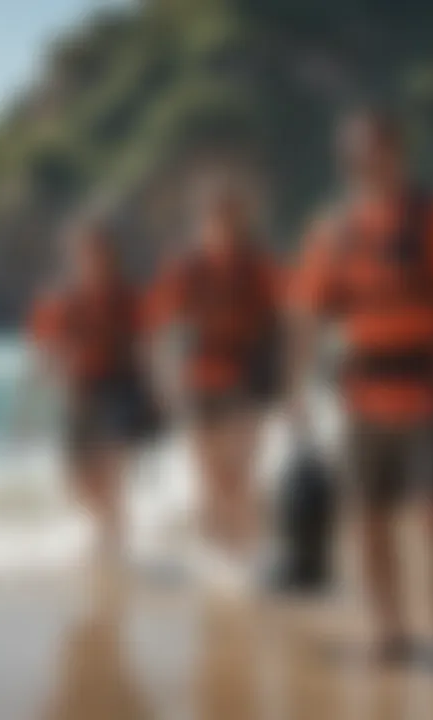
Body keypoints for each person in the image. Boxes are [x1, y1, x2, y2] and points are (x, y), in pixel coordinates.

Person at [288, 107, 433, 660]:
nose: (369, 163)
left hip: (427, 392)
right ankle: (390, 627)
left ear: (397, 153)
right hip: (361, 399)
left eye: (378, 151)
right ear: (347, 163)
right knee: (367, 518)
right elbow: (309, 315)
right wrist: (295, 391)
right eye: (358, 155)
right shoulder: (333, 232)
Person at [147, 180, 284, 561]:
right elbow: (157, 327)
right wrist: (162, 385)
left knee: (238, 475)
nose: (223, 224)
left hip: (249, 378)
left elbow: (288, 321)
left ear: (242, 220)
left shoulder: (259, 267)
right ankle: (219, 564)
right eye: (215, 216)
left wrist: (289, 386)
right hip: (200, 381)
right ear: (202, 221)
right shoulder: (185, 269)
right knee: (210, 481)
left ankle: (246, 556)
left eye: (230, 215)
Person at [28, 217, 148, 565]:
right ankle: (105, 533)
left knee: (111, 474)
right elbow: (45, 349)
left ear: (111, 254)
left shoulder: (127, 296)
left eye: (98, 251)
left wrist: (157, 395)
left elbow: (145, 344)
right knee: (77, 481)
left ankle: (114, 545)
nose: (93, 258)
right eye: (85, 252)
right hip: (78, 394)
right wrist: (41, 387)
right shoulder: (62, 299)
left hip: (120, 387)